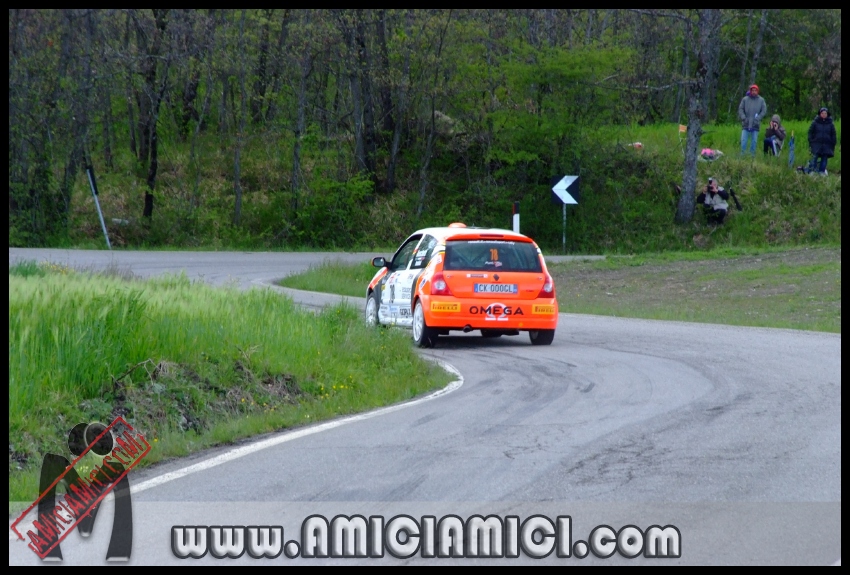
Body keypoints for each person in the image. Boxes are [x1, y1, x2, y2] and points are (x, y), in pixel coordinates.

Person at [738, 84, 767, 156]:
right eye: (752, 90)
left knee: (754, 141)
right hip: (746, 123)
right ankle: (742, 155)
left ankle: (752, 156)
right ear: (750, 91)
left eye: (755, 90)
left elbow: (764, 110)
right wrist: (743, 117)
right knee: (743, 140)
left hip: (755, 124)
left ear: (757, 91)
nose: (754, 92)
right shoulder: (745, 99)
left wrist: (758, 118)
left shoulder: (761, 100)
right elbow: (740, 109)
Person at [807, 107, 837, 175]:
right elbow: (810, 132)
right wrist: (811, 140)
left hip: (827, 145)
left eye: (825, 113)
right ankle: (812, 171)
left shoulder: (831, 124)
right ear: (820, 114)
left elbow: (833, 134)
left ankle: (822, 172)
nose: (824, 114)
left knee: (824, 159)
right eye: (822, 113)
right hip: (816, 144)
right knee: (814, 157)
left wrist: (833, 143)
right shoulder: (815, 122)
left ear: (827, 114)